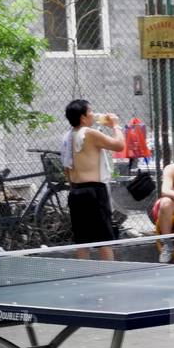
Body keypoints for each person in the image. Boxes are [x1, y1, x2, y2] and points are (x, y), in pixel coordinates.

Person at [62, 100, 124, 260]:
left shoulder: (68, 136)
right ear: (83, 117)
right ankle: (110, 276)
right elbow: (119, 145)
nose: (94, 115)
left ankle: (85, 275)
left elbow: (66, 168)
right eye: (91, 112)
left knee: (82, 240)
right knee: (104, 238)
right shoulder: (89, 133)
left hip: (75, 191)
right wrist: (115, 125)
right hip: (94, 191)